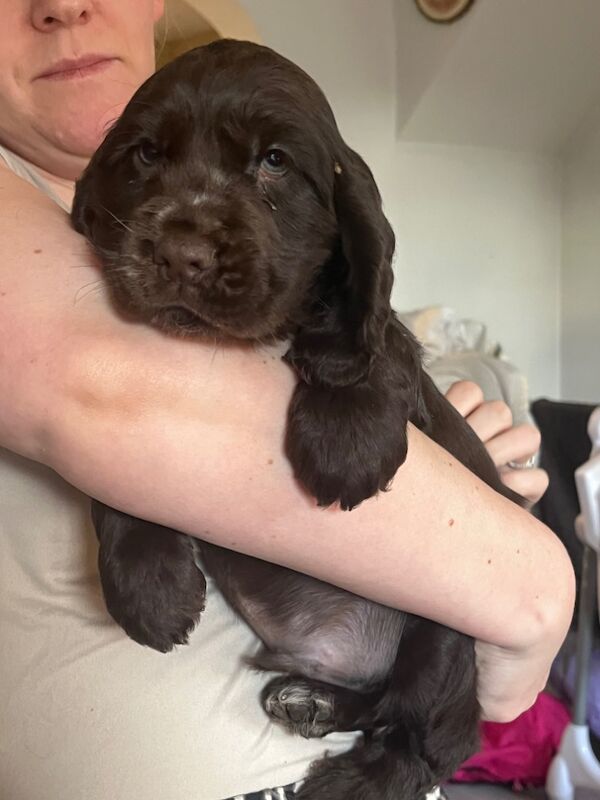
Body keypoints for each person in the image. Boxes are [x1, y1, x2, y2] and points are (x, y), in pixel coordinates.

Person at [0, 2, 573, 799]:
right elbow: (109, 395)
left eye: (268, 161)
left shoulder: (316, 260)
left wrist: (456, 492)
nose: (62, 3)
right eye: (147, 158)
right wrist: (529, 579)